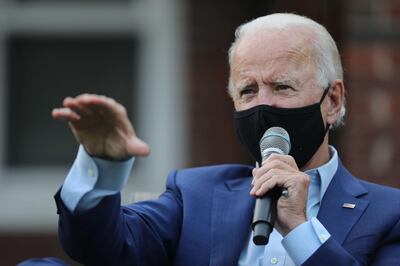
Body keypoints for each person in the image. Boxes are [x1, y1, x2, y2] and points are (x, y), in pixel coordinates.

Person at [52, 13, 400, 265]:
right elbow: (100, 248)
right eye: (248, 91)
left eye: (282, 87)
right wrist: (102, 163)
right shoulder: (195, 194)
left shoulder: (389, 214)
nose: (263, 105)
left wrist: (300, 229)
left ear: (333, 101)